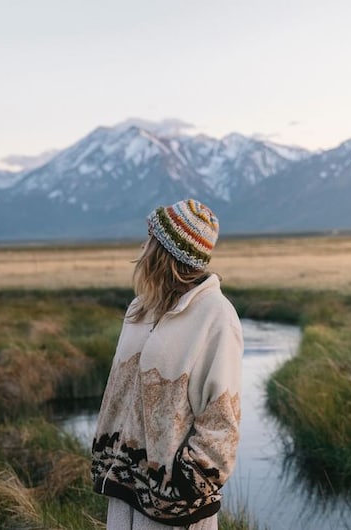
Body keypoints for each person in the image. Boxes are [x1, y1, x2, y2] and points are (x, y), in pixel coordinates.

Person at [91, 199, 244, 530]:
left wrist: (183, 486)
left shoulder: (216, 317)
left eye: (150, 239)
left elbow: (222, 419)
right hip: (126, 490)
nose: (142, 247)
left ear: (165, 251)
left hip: (176, 509)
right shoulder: (138, 310)